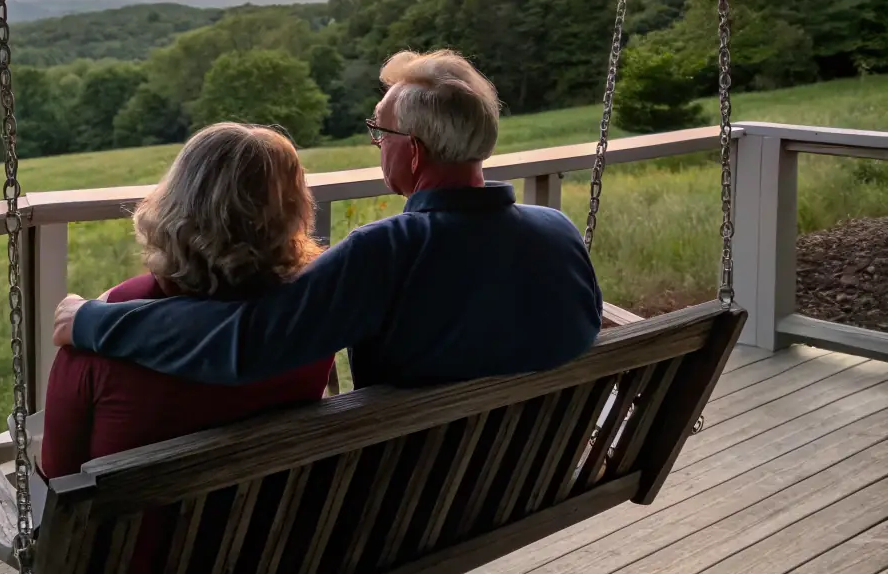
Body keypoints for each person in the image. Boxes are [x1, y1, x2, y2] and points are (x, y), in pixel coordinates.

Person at [51, 49, 603, 389]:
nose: (375, 146)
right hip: (534, 473)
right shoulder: (557, 228)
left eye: (380, 133)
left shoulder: (389, 251)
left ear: (412, 152)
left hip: (423, 499)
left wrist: (94, 320)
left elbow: (248, 342)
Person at [39, 122, 334, 574]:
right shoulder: (309, 325)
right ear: (291, 210)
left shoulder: (107, 328)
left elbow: (59, 476)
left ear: (176, 203)